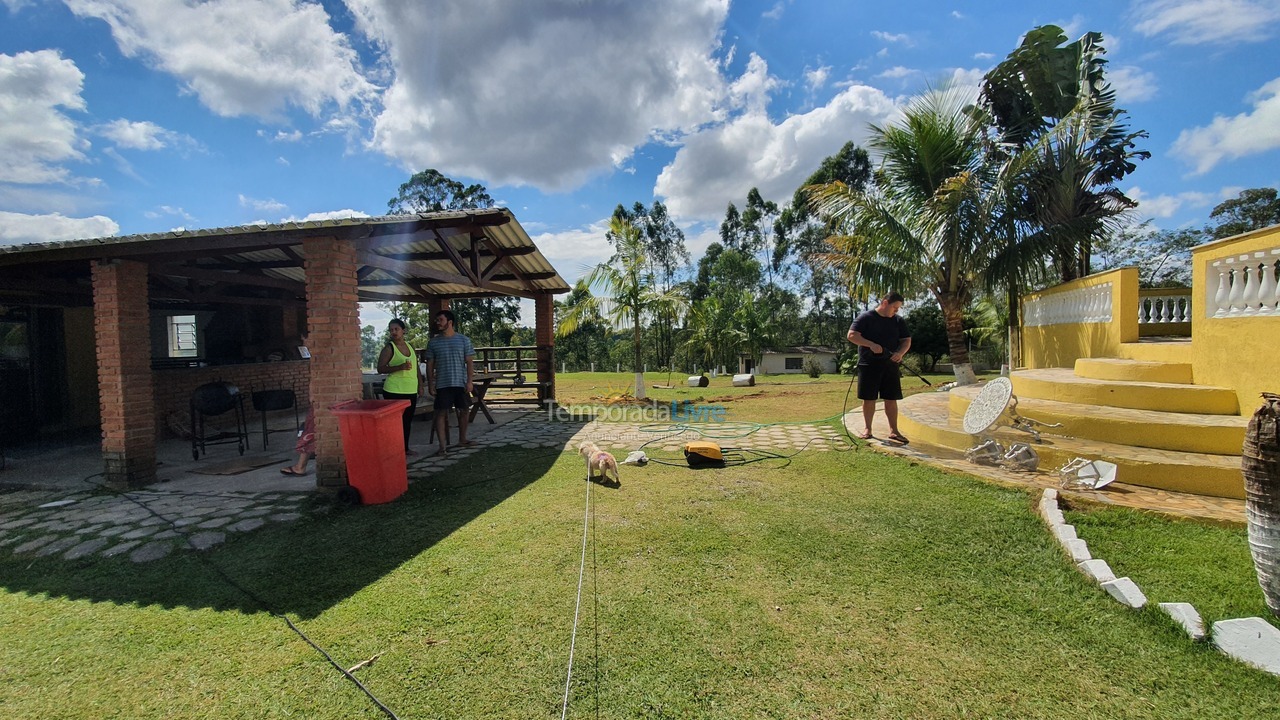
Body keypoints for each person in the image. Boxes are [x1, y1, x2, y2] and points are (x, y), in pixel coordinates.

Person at [847, 292, 912, 443]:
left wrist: (900, 353)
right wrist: (870, 344)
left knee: (891, 398)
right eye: (894, 307)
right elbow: (851, 335)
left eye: (898, 308)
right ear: (884, 303)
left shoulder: (898, 321)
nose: (896, 311)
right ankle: (868, 429)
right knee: (869, 398)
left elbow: (906, 340)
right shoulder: (866, 318)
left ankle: (894, 431)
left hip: (890, 365)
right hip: (869, 365)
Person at [423, 309, 476, 457]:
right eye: (437, 320)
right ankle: (442, 446)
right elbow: (430, 365)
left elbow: (470, 362)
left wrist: (469, 381)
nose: (437, 323)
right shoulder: (433, 343)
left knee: (464, 410)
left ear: (449, 322)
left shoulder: (464, 340)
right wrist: (431, 384)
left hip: (460, 382)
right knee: (441, 413)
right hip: (442, 384)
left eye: (440, 320)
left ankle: (462, 439)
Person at [377, 318, 426, 455]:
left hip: (410, 389)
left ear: (403, 330)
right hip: (394, 390)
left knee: (407, 421)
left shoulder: (410, 346)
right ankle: (392, 449)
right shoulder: (389, 348)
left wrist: (420, 386)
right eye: (391, 330)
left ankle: (404, 448)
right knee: (394, 422)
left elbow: (415, 368)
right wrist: (400, 367)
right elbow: (380, 368)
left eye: (396, 329)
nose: (394, 332)